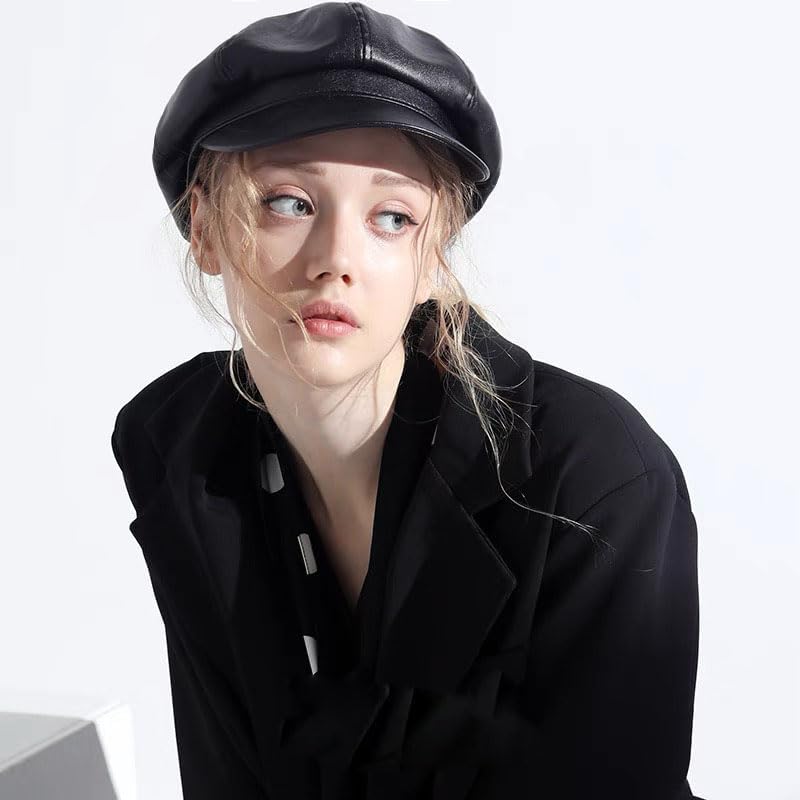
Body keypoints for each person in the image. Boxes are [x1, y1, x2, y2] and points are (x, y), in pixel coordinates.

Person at [111, 3, 704, 799]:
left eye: (392, 218)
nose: (336, 260)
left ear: (432, 262)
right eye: (289, 201)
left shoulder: (591, 479)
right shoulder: (180, 449)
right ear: (205, 229)